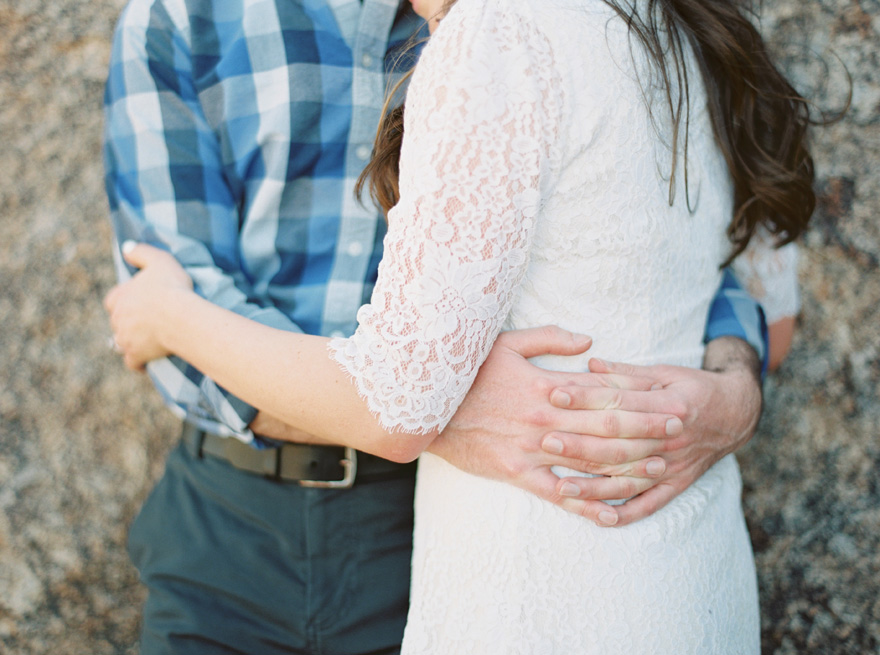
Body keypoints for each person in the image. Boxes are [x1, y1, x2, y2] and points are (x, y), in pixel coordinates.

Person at [102, 0, 800, 652]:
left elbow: (691, 260)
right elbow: (177, 267)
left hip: (436, 527)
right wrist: (451, 411)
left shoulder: (495, 28)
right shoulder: (182, 19)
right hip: (229, 528)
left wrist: (735, 391)